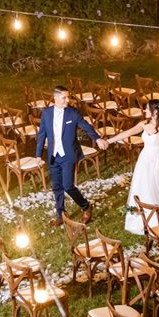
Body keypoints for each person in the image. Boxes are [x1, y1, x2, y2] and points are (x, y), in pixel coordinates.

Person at [106, 99, 159, 235]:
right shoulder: (144, 124)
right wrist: (109, 141)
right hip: (145, 160)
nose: (144, 111)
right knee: (144, 186)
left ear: (155, 112)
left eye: (147, 109)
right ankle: (144, 216)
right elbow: (128, 133)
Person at [35, 85, 108, 226]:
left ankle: (86, 206)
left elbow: (86, 126)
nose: (67, 100)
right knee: (56, 186)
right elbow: (42, 134)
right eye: (64, 97)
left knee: (67, 185)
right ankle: (60, 214)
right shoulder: (47, 113)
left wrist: (97, 139)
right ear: (55, 98)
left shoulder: (73, 113)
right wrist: (38, 155)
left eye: (68, 97)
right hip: (53, 156)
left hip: (68, 155)